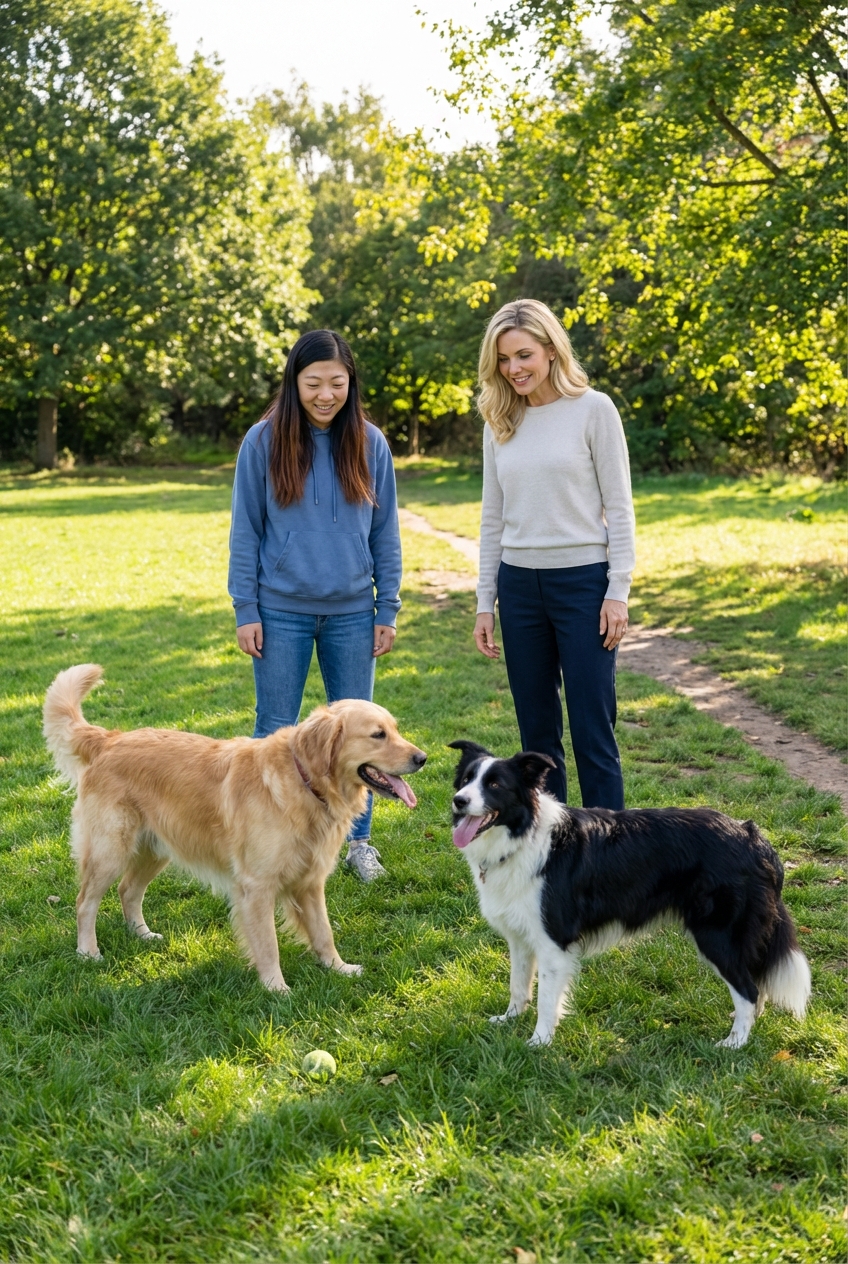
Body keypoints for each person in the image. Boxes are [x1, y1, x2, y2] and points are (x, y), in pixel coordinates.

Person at [228, 328, 402, 881]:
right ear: (294, 382)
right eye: (313, 383)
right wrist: (246, 609)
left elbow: (385, 532)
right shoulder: (262, 441)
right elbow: (245, 532)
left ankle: (359, 843)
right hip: (280, 611)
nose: (325, 394)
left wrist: (387, 608)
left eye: (336, 383)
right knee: (274, 728)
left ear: (350, 383)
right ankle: (263, 838)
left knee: (365, 736)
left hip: (354, 613)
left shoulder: (369, 442)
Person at [472, 299, 636, 810]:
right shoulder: (498, 419)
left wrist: (618, 591)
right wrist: (485, 600)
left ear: (550, 350)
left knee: (594, 732)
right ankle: (554, 857)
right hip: (519, 590)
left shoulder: (594, 409)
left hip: (583, 586)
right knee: (539, 740)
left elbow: (620, 507)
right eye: (503, 360)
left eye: (523, 355)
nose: (514, 368)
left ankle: (611, 855)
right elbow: (492, 518)